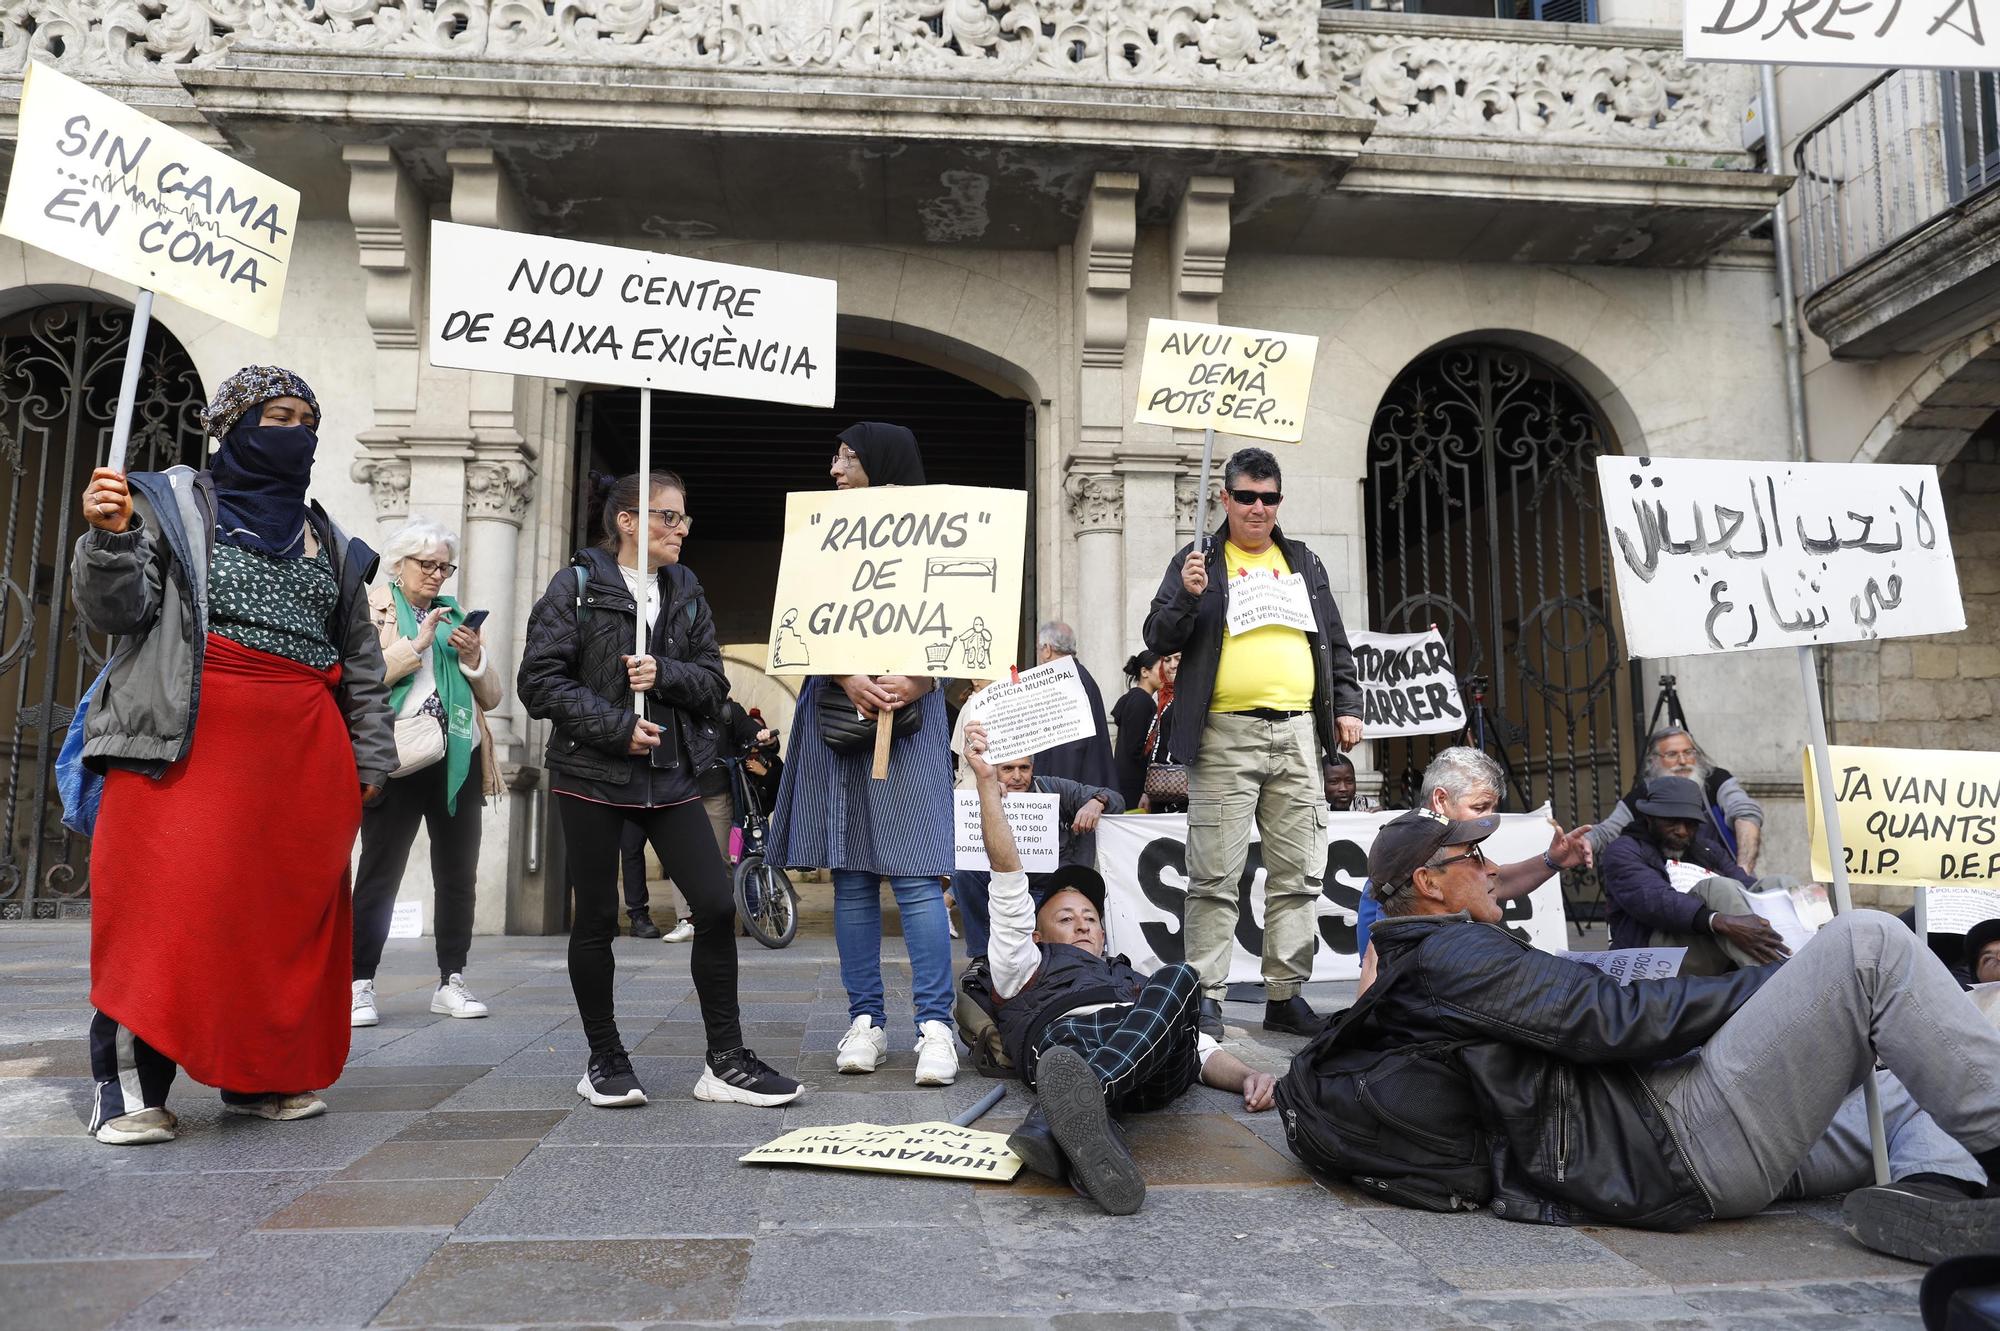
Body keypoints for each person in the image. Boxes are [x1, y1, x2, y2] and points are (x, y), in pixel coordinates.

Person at [1278, 808, 2000, 1266]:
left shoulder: (1423, 962)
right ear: (1427, 884)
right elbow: (1614, 1019)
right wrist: (1786, 984)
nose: (1493, 866)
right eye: (1473, 858)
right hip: (1673, 1142)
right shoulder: (1452, 956)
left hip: (1655, 1130)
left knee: (1902, 1078)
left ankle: (1944, 1189)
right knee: (1867, 944)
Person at [73, 366, 396, 1144]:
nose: (294, 432)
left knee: (276, 925)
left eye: (305, 419)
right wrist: (109, 538)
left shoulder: (336, 544)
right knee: (164, 912)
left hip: (303, 764)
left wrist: (371, 761)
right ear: (230, 425)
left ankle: (258, 1080)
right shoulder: (166, 506)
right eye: (276, 415)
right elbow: (119, 611)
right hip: (185, 746)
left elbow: (359, 661)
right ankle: (129, 1092)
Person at [518, 470, 799, 1110]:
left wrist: (662, 673)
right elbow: (538, 683)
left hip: (671, 776)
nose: (680, 529)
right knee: (594, 919)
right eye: (667, 517)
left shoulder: (685, 588)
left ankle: (725, 1061)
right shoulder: (578, 586)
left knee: (715, 904)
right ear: (627, 521)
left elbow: (712, 680)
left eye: (683, 518)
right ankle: (605, 1058)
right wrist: (618, 727)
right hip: (591, 775)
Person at [961, 721, 1277, 1215]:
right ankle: (1085, 1130)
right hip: (1066, 1039)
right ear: (1038, 934)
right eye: (1065, 918)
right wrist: (986, 786)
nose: (1083, 924)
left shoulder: (1132, 977)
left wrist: (1248, 1076)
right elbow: (1007, 875)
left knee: (1180, 978)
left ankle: (1059, 1117)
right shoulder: (1021, 961)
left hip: (1153, 1068)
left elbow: (1199, 1049)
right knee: (1073, 1058)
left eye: (1090, 917)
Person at [1142, 446, 1363, 1037]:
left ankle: (1286, 994)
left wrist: (1347, 705)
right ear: (1226, 499)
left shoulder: (1304, 562)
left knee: (1299, 873)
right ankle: (1206, 996)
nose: (1257, 508)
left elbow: (1333, 642)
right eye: (1246, 497)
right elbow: (1156, 636)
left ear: (1279, 501)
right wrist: (1187, 595)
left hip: (1296, 734)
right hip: (1224, 733)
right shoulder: (1199, 560)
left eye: (1268, 498)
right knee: (1215, 873)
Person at [766, 422, 960, 1087]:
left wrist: (919, 680)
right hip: (839, 712)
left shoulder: (941, 534)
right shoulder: (820, 535)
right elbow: (800, 618)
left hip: (912, 717)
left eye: (847, 457)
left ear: (881, 465)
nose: (834, 468)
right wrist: (848, 674)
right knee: (850, 873)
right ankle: (866, 1020)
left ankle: (937, 1026)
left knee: (914, 872)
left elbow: (964, 621)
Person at [351, 519, 504, 1026]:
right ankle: (358, 982)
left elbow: (493, 697)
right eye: (428, 564)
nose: (438, 574)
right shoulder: (372, 607)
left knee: (458, 875)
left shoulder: (457, 618)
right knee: (379, 872)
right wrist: (417, 644)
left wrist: (474, 656)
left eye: (445, 566)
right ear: (401, 564)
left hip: (456, 755)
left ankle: (451, 980)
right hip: (393, 757)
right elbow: (361, 676)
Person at [1352, 746, 1593, 991]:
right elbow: (1378, 955)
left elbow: (1497, 882)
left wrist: (1553, 860)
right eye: (1479, 808)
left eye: (1492, 807)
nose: (1488, 818)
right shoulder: (1409, 849)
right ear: (1440, 800)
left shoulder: (1448, 842)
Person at [1599, 775, 1789, 976]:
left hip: (1703, 935)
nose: (1682, 831)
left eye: (1690, 823)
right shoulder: (1623, 851)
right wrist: (1716, 920)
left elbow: (1746, 886)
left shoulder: (1706, 848)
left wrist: (1803, 896)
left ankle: (1801, 960)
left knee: (1778, 884)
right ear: (1649, 818)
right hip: (1651, 952)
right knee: (1719, 887)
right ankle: (1773, 980)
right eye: (1672, 822)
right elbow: (1655, 902)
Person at [951, 748, 1122, 959]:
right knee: (961, 873)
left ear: (1033, 768)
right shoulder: (983, 793)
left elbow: (1116, 799)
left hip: (1052, 890)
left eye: (1024, 768)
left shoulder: (1052, 787)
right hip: (1005, 888)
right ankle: (983, 957)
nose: (1016, 776)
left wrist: (1098, 802)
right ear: (994, 770)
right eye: (1007, 769)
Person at [1590, 726, 1765, 872]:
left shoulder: (1716, 780)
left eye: (1688, 752)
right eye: (1672, 754)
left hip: (1722, 874)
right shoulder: (1644, 793)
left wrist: (1743, 871)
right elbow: (1608, 831)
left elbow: (1745, 812)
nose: (1683, 761)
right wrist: (1585, 841)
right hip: (1668, 882)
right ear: (1653, 761)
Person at [1032, 621, 1119, 792]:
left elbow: (1069, 747)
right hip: (1085, 781)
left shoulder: (1064, 680)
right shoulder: (1080, 675)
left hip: (1070, 786)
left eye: (1040, 649)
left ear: (1047, 649)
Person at [1111, 650, 1166, 812]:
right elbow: (1136, 748)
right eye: (1161, 668)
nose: (1166, 673)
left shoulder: (1135, 699)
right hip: (1135, 788)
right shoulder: (1141, 701)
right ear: (1144, 672)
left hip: (1127, 784)